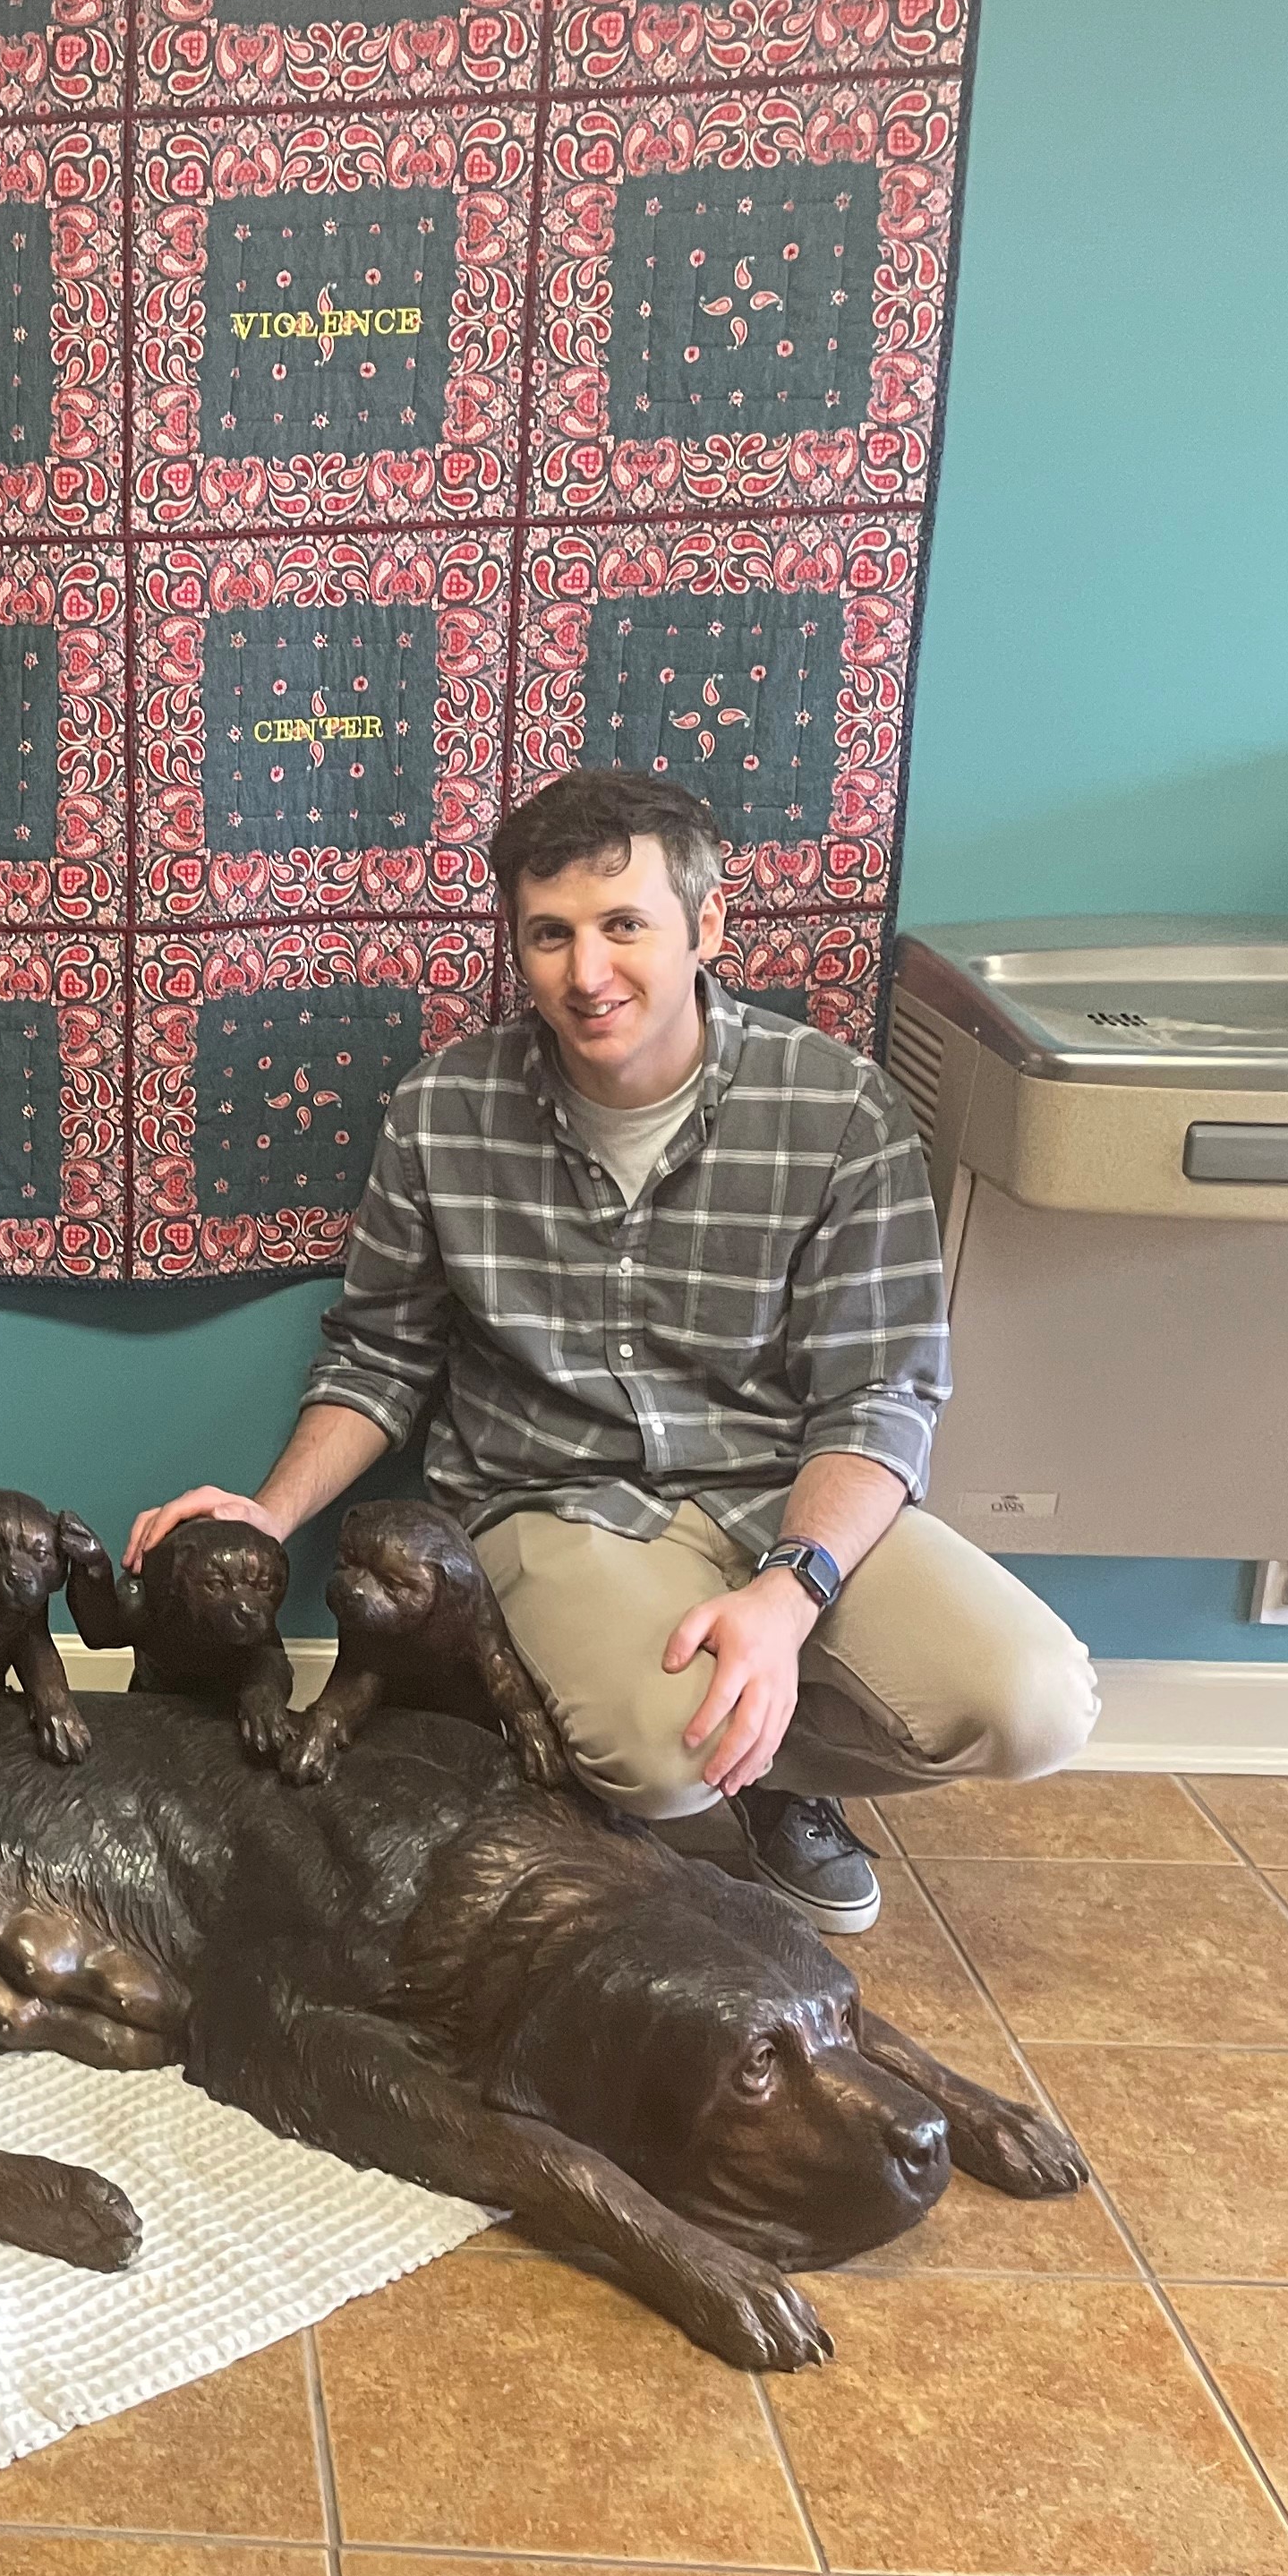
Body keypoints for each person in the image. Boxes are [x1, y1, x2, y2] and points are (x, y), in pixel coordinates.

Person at [129, 768, 1096, 1933]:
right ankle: (681, 1750)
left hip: (780, 1488)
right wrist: (265, 1519)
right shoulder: (441, 1112)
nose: (586, 975)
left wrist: (790, 1598)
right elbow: (380, 1355)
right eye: (551, 935)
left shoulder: (839, 1109)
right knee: (657, 1754)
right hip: (550, 1497)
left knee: (1037, 1705)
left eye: (624, 924)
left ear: (709, 925)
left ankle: (781, 1776)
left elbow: (882, 1393)